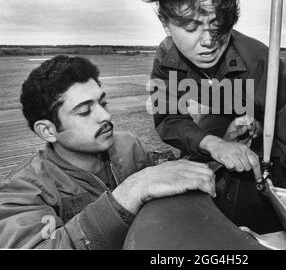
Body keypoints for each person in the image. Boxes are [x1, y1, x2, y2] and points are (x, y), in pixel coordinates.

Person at [131, 0, 286, 232]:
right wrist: (215, 144)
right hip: (222, 116)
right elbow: (169, 119)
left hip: (273, 131)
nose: (208, 42)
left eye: (218, 26)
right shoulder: (167, 58)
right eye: (190, 27)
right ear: (165, 24)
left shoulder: (264, 64)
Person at [0, 55, 215, 249]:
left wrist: (219, 145)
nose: (105, 116)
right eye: (84, 111)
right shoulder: (25, 190)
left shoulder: (127, 144)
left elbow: (173, 171)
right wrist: (132, 190)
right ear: (47, 130)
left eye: (103, 103)